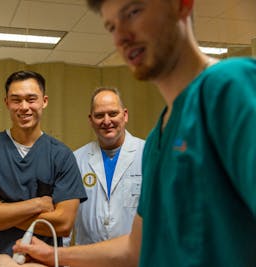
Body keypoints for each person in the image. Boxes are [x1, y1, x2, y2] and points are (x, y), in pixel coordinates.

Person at [13, 0, 256, 266]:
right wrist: (53, 255)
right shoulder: (156, 141)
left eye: (133, 12)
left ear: (182, 5)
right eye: (112, 26)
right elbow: (135, 248)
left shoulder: (228, 88)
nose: (121, 36)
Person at [0, 70, 87, 258]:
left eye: (31, 99)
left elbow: (64, 224)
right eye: (16, 100)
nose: (24, 107)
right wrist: (37, 204)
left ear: (44, 101)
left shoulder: (61, 155)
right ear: (6, 103)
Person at [66, 87, 144, 246]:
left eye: (113, 113)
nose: (107, 121)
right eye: (99, 115)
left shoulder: (147, 154)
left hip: (135, 258)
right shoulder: (75, 160)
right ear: (90, 120)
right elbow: (66, 221)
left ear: (125, 115)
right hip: (88, 259)